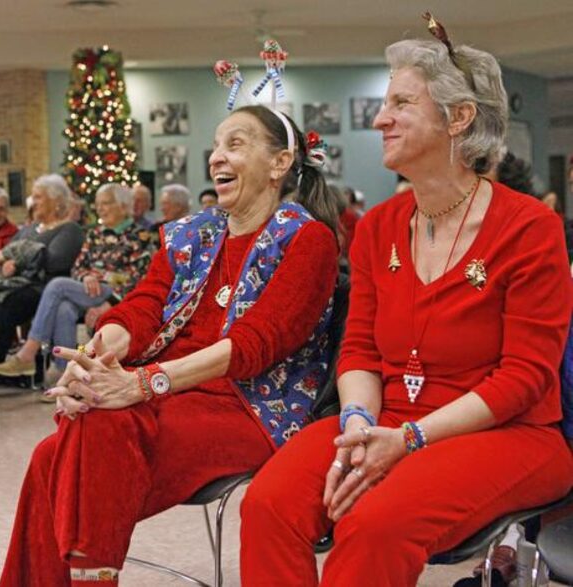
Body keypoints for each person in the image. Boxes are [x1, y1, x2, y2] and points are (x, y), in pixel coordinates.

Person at [239, 33, 573, 586]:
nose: (380, 120)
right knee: (269, 503)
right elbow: (362, 350)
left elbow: (524, 378)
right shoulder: (378, 228)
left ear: (460, 117)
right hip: (385, 419)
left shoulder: (530, 227)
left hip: (509, 434)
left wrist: (410, 440)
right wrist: (357, 423)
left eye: (400, 104)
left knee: (375, 525)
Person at [0, 104, 340, 586]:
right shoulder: (193, 234)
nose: (217, 156)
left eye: (235, 144)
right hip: (163, 398)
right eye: (217, 145)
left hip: (247, 404)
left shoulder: (308, 240)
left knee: (79, 440)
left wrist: (143, 382)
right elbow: (142, 307)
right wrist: (94, 360)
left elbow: (255, 344)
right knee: (54, 454)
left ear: (280, 164)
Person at [0, 182, 156, 384]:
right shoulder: (95, 233)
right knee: (64, 309)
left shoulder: (140, 237)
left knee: (58, 285)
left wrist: (110, 302)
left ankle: (28, 353)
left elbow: (141, 277)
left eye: (106, 204)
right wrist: (85, 276)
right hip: (87, 291)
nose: (100, 209)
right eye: (98, 204)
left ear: (123, 206)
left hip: (116, 294)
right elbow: (78, 266)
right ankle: (67, 377)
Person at [0, 175, 83, 401]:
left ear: (56, 201)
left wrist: (17, 258)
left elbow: (54, 262)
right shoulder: (30, 229)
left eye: (39, 196)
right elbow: (4, 256)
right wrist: (7, 263)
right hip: (17, 283)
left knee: (0, 305)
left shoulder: (69, 229)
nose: (34, 201)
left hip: (46, 289)